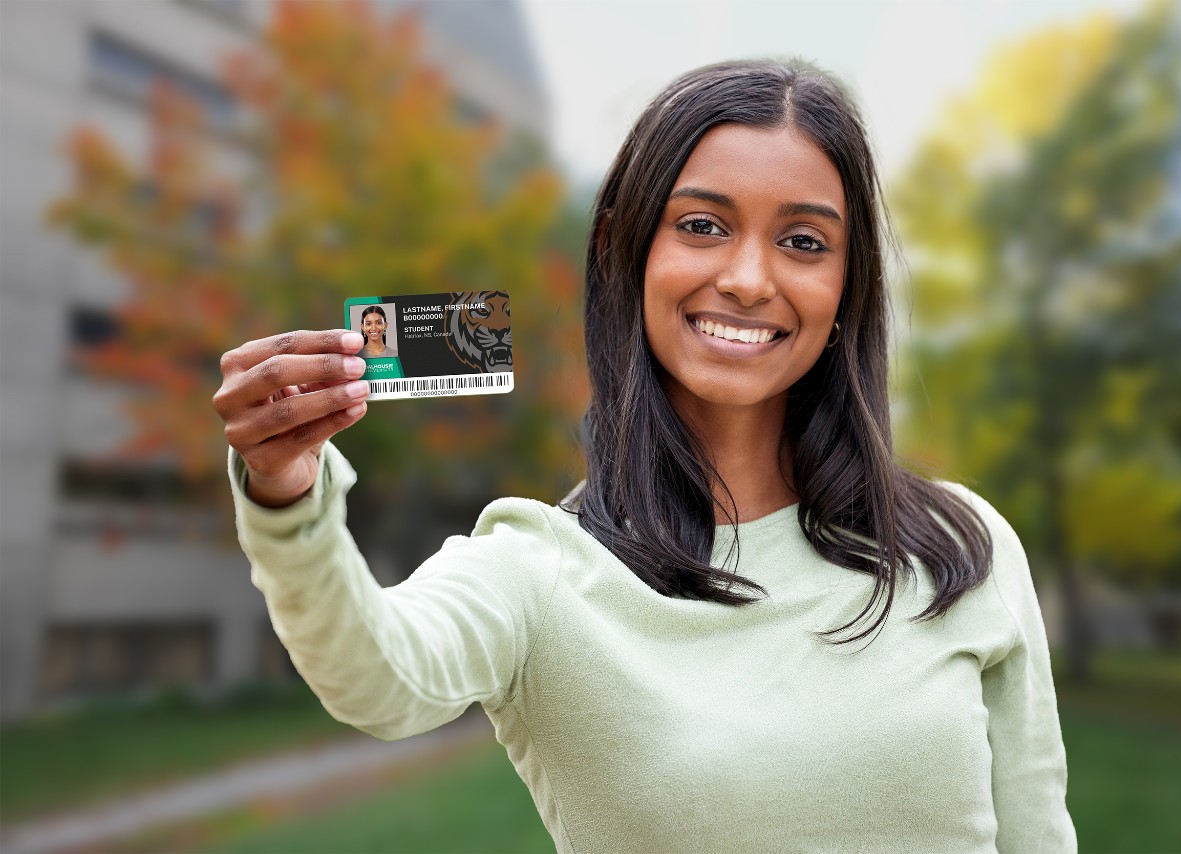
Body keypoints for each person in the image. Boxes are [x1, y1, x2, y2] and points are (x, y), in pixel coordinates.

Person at [213, 59, 1076, 852]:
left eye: (804, 241)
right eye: (702, 225)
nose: (748, 277)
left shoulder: (963, 547)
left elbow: (1040, 836)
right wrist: (287, 496)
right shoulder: (540, 572)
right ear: (629, 253)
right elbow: (376, 678)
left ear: (848, 289)